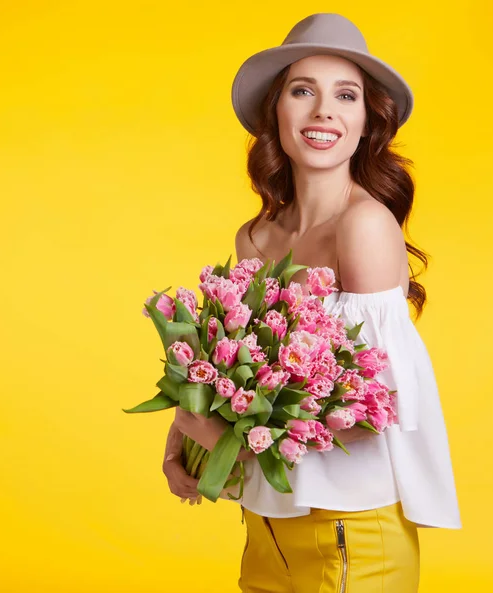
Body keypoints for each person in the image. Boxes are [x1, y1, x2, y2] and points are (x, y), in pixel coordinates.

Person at [162, 12, 461, 593]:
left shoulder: (365, 227)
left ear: (365, 122)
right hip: (266, 522)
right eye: (304, 91)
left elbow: (376, 410)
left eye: (345, 96)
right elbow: (231, 375)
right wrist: (180, 435)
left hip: (351, 529)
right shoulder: (256, 237)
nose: (325, 111)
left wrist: (213, 434)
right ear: (276, 112)